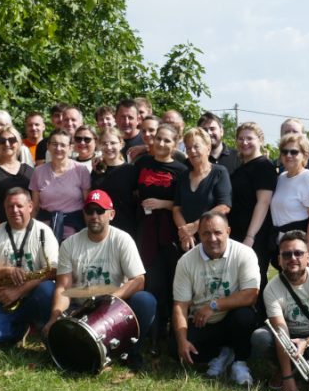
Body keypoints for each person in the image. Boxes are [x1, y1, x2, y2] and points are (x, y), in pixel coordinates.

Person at [42, 190, 156, 369]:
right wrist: (54, 317)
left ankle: (131, 352)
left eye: (100, 211)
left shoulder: (122, 240)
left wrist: (108, 301)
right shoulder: (69, 244)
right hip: (81, 308)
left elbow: (138, 280)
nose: (94, 216)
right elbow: (63, 286)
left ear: (111, 214)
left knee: (145, 301)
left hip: (114, 307)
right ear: (84, 214)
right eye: (90, 211)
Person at [172, 212, 260, 386]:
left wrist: (213, 305)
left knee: (245, 316)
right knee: (176, 348)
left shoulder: (245, 253)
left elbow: (251, 294)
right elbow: (180, 306)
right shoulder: (186, 261)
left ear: (228, 231)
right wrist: (182, 340)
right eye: (206, 233)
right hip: (203, 322)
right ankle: (222, 354)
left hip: (231, 318)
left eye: (218, 232)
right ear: (198, 235)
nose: (212, 238)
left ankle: (239, 361)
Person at [250, 231, 309, 391]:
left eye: (298, 253)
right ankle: (287, 370)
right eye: (287, 254)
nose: (293, 258)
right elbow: (281, 333)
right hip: (286, 336)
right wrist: (287, 377)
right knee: (260, 337)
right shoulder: (272, 288)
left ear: (308, 258)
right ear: (279, 260)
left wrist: (306, 341)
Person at [0, 187, 59, 346]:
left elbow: (53, 271)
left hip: (34, 295)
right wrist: (8, 270)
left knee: (48, 289)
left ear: (30, 206)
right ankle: (20, 330)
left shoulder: (44, 232)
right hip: (5, 299)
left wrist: (20, 290)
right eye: (9, 207)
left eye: (19, 206)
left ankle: (46, 330)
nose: (14, 210)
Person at [134, 123, 188, 348]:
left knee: (170, 281)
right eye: (159, 139)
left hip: (169, 231)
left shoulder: (181, 169)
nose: (162, 144)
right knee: (151, 280)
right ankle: (151, 333)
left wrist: (162, 203)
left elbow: (184, 201)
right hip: (145, 230)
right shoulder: (143, 163)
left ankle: (170, 331)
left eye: (167, 140)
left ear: (175, 144)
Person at [228, 122, 277, 304]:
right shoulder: (241, 168)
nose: (244, 142)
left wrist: (250, 236)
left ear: (261, 140)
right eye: (241, 138)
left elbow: (263, 202)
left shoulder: (264, 166)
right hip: (237, 233)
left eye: (249, 138)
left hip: (255, 235)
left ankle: (257, 324)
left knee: (254, 281)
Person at [173, 127, 232, 252]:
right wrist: (185, 233)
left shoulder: (219, 172)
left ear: (208, 148)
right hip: (187, 242)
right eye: (188, 148)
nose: (192, 151)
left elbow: (224, 206)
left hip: (213, 241)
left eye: (196, 146)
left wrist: (196, 226)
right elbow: (176, 209)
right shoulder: (183, 176)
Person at [30, 130, 91, 242]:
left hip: (75, 230)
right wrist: (29, 233)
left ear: (70, 148)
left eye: (63, 145)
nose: (58, 148)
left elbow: (87, 205)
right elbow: (35, 207)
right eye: (54, 144)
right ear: (48, 146)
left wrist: (90, 232)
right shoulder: (38, 172)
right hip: (45, 231)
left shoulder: (81, 170)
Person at [270, 132, 309, 257]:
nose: (288, 155)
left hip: (300, 247)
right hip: (283, 244)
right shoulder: (282, 178)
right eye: (284, 151)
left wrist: (307, 254)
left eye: (294, 152)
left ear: (305, 155)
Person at [0, 126, 33, 234]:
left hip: (25, 231)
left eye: (12, 140)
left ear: (19, 143)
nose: (7, 144)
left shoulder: (29, 171)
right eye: (2, 141)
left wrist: (29, 228)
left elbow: (33, 204)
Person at [90, 127, 138, 235]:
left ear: (121, 144)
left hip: (125, 227)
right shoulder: (96, 170)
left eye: (113, 143)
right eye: (104, 143)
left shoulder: (131, 170)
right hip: (100, 227)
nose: (109, 147)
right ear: (99, 145)